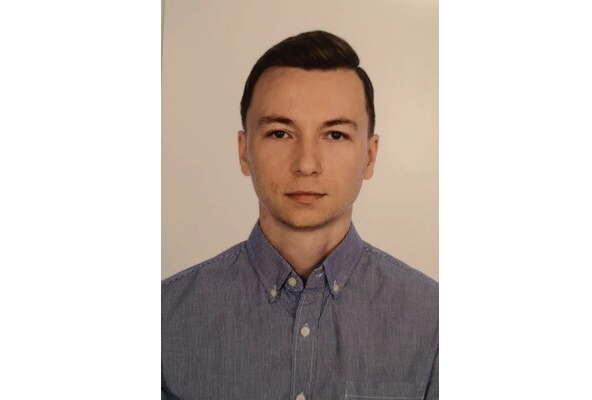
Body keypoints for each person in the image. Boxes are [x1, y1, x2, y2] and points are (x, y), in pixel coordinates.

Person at [162, 30, 438, 400]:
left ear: (370, 157)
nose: (306, 164)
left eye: (335, 135)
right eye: (280, 133)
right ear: (244, 152)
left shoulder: (436, 323)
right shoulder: (163, 320)